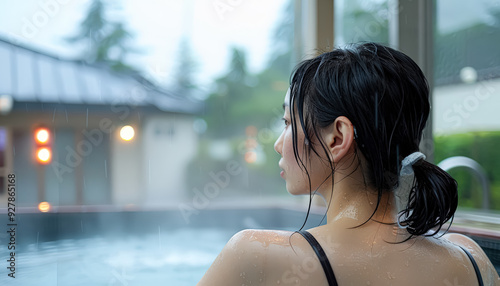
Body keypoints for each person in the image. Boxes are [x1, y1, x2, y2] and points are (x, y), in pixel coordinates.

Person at [197, 42, 500, 285]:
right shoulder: (472, 261)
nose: (279, 143)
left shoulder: (256, 257)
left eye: (289, 123)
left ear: (337, 137)